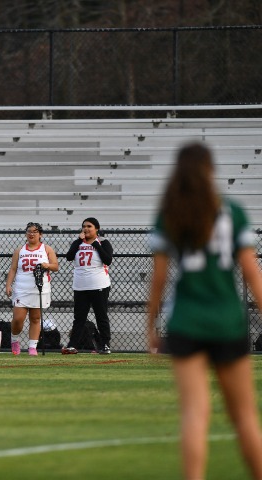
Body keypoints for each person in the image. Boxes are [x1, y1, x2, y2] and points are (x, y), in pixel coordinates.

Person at [147, 143, 262, 480]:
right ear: (210, 169)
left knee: (195, 415)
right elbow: (251, 273)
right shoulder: (233, 211)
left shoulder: (170, 213)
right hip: (228, 321)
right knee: (244, 417)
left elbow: (159, 278)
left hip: (186, 321)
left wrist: (150, 324)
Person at [5, 222, 59, 355]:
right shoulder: (20, 250)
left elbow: (55, 266)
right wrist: (8, 284)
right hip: (22, 288)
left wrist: (47, 265)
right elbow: (13, 269)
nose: (31, 234)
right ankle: (14, 340)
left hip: (39, 288)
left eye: (35, 231)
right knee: (18, 319)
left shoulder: (46, 249)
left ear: (40, 234)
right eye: (29, 231)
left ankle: (32, 347)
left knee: (35, 318)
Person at [63, 217, 113, 355]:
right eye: (84, 226)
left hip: (99, 285)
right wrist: (79, 241)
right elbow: (69, 257)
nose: (86, 229)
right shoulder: (78, 243)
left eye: (89, 226)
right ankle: (72, 345)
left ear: (97, 228)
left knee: (101, 316)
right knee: (79, 318)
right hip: (80, 286)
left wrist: (96, 245)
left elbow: (108, 260)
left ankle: (105, 345)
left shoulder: (103, 242)